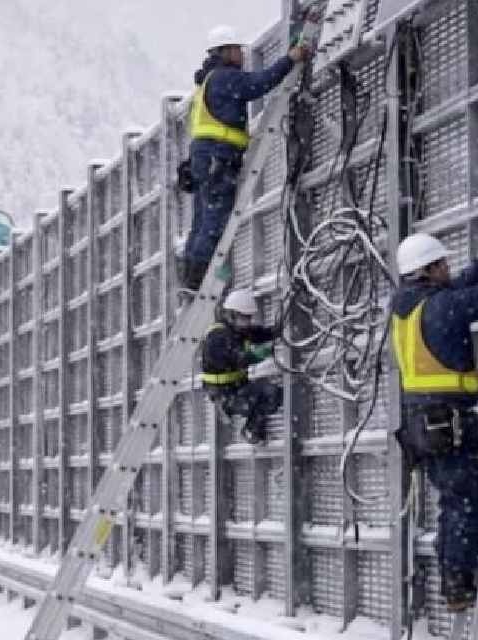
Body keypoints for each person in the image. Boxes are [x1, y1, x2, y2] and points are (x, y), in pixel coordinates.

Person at [389, 228, 478, 611]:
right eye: (443, 263)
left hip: (423, 421)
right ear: (428, 270)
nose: (449, 267)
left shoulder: (407, 305)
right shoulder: (441, 306)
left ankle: (455, 583)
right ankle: (458, 584)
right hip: (447, 418)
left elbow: (457, 288)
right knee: (467, 501)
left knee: (452, 501)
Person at [179, 25, 309, 291]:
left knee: (202, 220)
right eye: (237, 49)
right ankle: (198, 277)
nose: (242, 54)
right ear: (226, 51)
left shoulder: (205, 83)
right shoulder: (226, 77)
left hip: (205, 157)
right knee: (214, 220)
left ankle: (191, 273)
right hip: (219, 157)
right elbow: (258, 84)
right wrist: (291, 59)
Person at [200, 289, 282, 444]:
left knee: (275, 393)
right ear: (231, 315)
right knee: (268, 393)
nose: (248, 322)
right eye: (244, 317)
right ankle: (251, 430)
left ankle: (253, 428)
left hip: (237, 388)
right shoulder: (217, 336)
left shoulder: (237, 330)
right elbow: (235, 357)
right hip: (224, 393)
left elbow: (260, 333)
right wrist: (256, 355)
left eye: (249, 317)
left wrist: (277, 330)